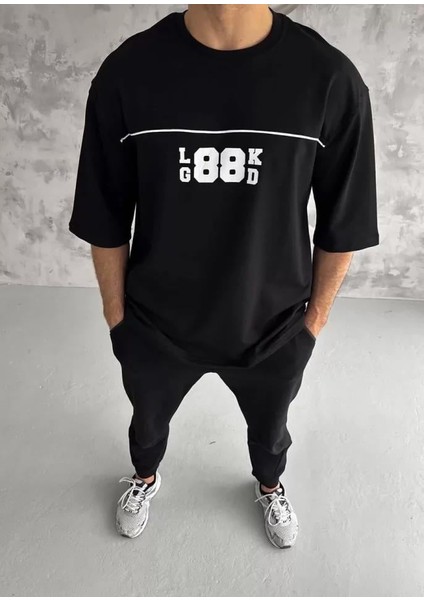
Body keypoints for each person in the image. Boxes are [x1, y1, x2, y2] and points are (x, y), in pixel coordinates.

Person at [69, 4, 379, 548]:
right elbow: (105, 213)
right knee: (146, 424)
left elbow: (344, 223)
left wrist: (313, 323)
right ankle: (144, 477)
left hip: (274, 325)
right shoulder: (129, 72)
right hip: (155, 323)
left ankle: (269, 485)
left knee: (272, 432)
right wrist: (117, 319)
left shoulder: (328, 79)